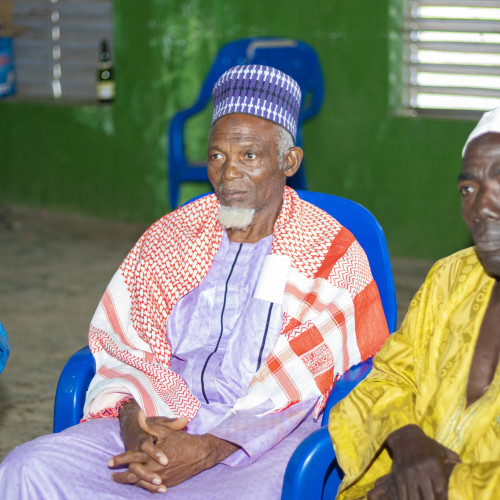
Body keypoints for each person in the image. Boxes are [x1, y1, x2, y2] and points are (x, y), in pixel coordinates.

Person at [0, 64, 389, 499]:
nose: (227, 174)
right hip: (159, 418)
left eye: (250, 156)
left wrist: (207, 448)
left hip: (261, 440)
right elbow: (123, 346)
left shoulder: (330, 253)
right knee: (26, 469)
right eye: (217, 156)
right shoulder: (172, 235)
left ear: (289, 160)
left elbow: (304, 386)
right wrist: (135, 428)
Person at [329, 105, 500, 500]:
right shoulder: (449, 278)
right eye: (469, 189)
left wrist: (443, 485)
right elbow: (388, 377)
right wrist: (407, 442)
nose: (482, 208)